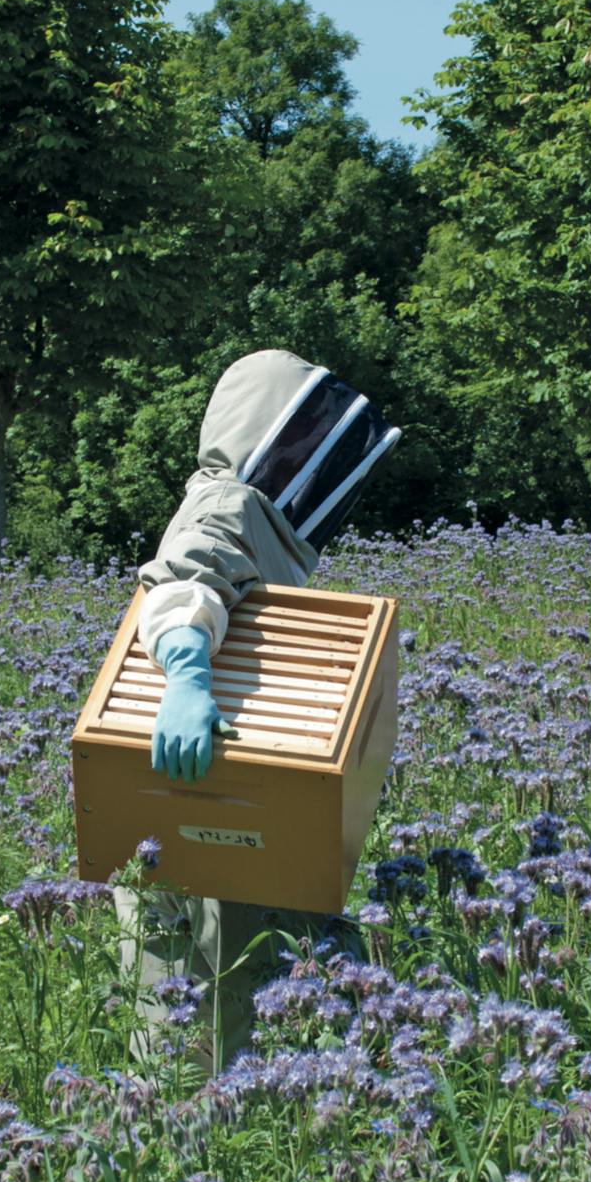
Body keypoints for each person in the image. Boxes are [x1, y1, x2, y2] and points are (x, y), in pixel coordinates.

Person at [113, 349, 400, 1073]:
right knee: (196, 1020)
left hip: (220, 802)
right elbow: (184, 584)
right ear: (272, 435)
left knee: (220, 998)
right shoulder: (227, 504)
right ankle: (189, 1158)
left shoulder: (249, 515)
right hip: (199, 805)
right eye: (306, 443)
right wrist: (185, 673)